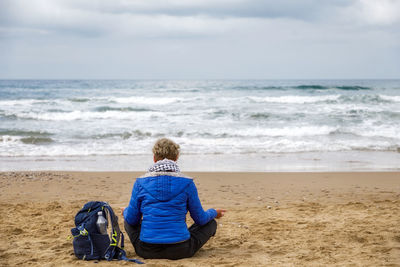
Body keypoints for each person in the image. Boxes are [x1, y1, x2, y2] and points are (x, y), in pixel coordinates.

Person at [122, 138, 226, 260]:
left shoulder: (140, 183)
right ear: (176, 158)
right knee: (210, 222)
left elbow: (132, 220)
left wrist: (126, 211)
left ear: (154, 158)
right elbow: (201, 219)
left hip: (146, 250)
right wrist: (214, 212)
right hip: (181, 250)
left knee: (128, 219)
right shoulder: (187, 183)